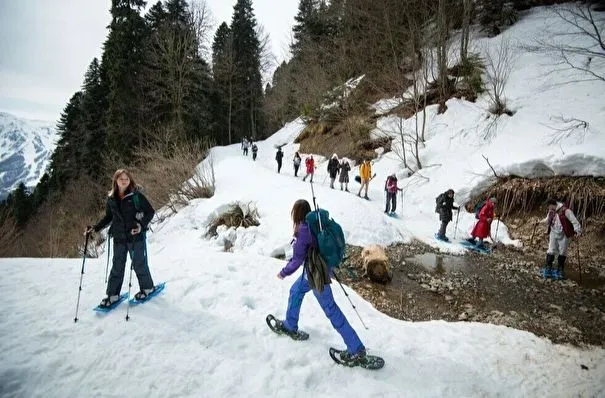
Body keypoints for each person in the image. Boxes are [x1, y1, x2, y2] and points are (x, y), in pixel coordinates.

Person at [275, 199, 367, 362]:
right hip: (315, 270)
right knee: (296, 291)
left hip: (317, 274)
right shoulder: (316, 223)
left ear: (296, 215)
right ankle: (290, 325)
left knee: (330, 308)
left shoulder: (304, 230)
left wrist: (283, 272)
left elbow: (296, 260)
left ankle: (356, 348)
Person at [85, 169, 156, 308]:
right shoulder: (111, 198)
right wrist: (95, 228)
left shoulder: (136, 196)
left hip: (135, 236)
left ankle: (147, 288)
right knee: (117, 267)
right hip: (118, 238)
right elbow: (108, 217)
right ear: (115, 181)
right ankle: (112, 295)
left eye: (126, 178)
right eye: (121, 178)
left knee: (138, 264)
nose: (124, 181)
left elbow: (150, 212)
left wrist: (141, 226)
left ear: (130, 180)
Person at [540, 198, 581, 280]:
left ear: (552, 204)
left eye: (549, 207)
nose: (548, 209)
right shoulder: (551, 211)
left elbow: (574, 221)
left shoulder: (566, 211)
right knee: (551, 249)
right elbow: (547, 220)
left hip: (563, 234)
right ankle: (548, 267)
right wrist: (539, 222)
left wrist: (578, 231)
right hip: (553, 232)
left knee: (563, 252)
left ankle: (560, 269)